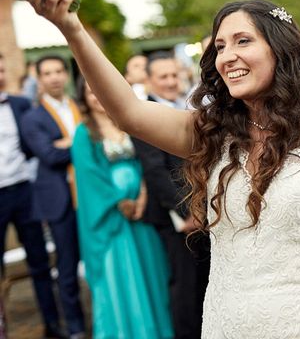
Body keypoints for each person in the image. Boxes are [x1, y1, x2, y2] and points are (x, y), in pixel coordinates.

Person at [11, 0, 300, 338]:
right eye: (220, 46)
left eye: (242, 41)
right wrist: (70, 28)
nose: (227, 56)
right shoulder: (214, 135)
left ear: (281, 49)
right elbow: (128, 113)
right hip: (225, 324)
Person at [71, 76, 173, 338]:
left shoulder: (127, 121)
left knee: (152, 274)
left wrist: (142, 197)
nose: (96, 95)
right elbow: (88, 175)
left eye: (99, 89)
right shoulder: (84, 132)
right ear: (82, 98)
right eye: (89, 92)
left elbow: (146, 160)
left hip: (143, 210)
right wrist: (118, 202)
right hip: (112, 219)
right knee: (121, 278)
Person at [132, 50, 209, 339]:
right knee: (186, 286)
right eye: (163, 77)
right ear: (150, 81)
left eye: (174, 75)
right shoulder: (145, 113)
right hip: (178, 217)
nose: (170, 81)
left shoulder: (187, 107)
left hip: (204, 213)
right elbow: (155, 171)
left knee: (207, 282)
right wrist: (186, 212)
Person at [19, 54, 86, 339]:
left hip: (91, 195)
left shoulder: (81, 106)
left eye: (59, 71)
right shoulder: (31, 117)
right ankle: (76, 328)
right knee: (67, 268)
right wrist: (81, 143)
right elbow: (48, 155)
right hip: (60, 200)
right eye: (48, 73)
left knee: (96, 261)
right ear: (39, 78)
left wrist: (68, 143)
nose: (55, 77)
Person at [0, 53, 64, 339]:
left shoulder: (20, 105)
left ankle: (52, 325)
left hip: (25, 191)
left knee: (39, 263)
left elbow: (36, 145)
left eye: (1, 69)